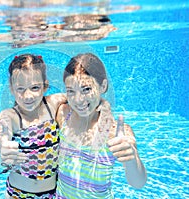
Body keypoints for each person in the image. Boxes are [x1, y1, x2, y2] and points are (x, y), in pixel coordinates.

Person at [55, 53, 147, 198]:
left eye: (86, 89)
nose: (78, 100)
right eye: (71, 91)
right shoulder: (63, 114)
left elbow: (138, 183)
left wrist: (131, 158)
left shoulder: (116, 132)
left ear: (103, 86)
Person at [0, 54, 65, 198]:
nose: (28, 96)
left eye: (34, 87)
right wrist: (3, 144)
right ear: (12, 89)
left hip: (52, 193)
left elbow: (79, 96)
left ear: (45, 85)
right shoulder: (12, 116)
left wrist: (103, 105)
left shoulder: (52, 104)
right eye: (20, 89)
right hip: (18, 194)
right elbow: (3, 130)